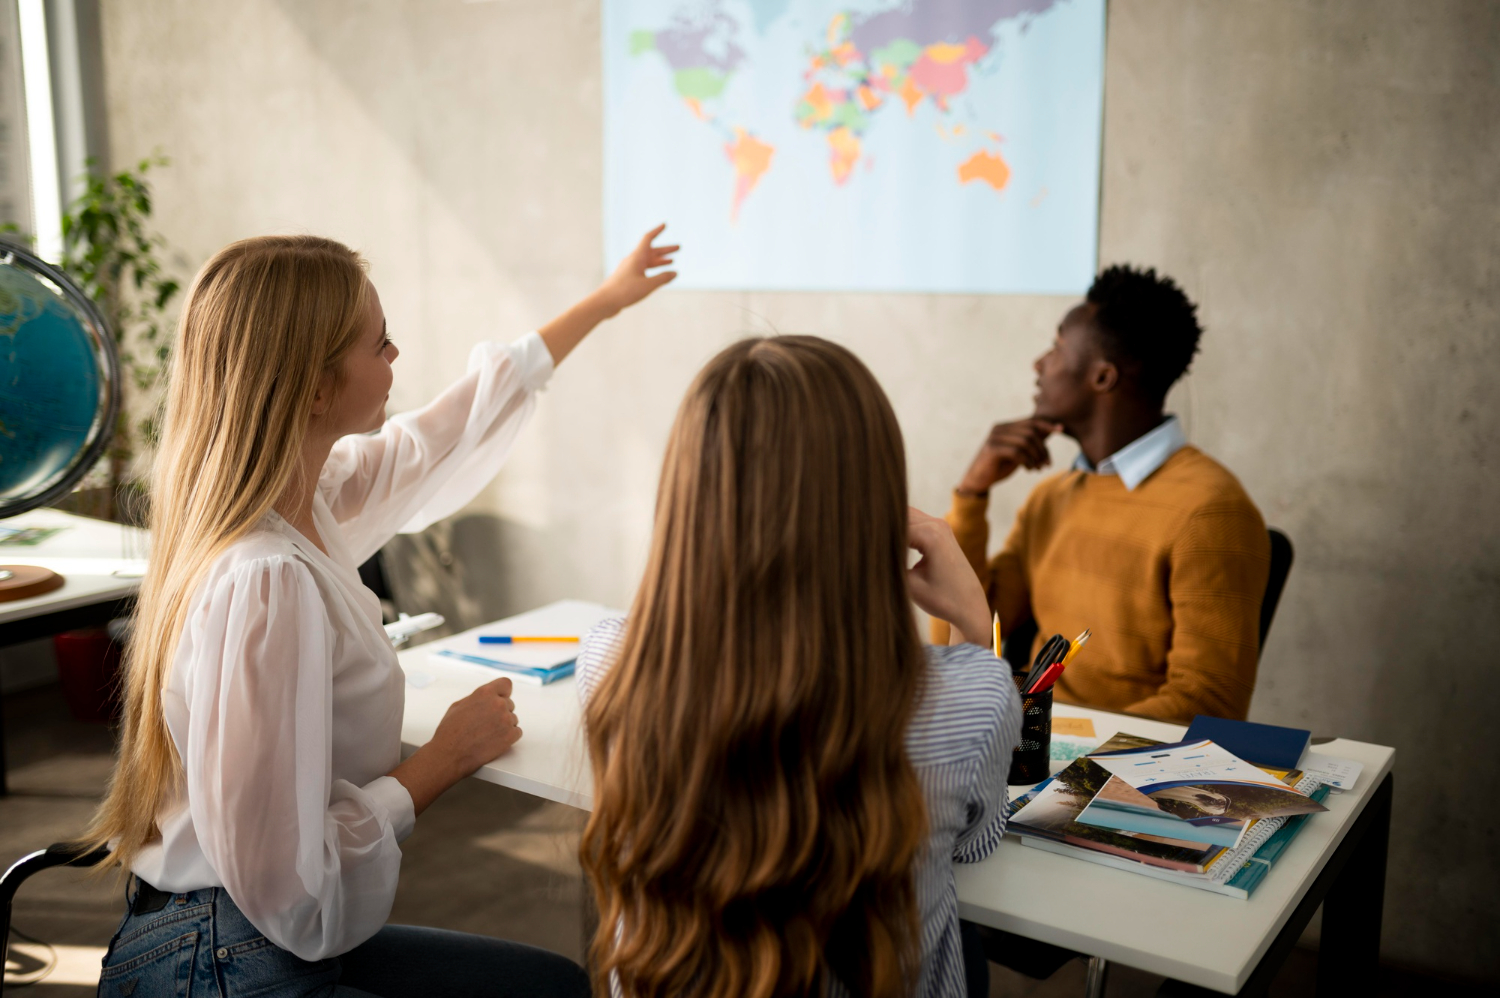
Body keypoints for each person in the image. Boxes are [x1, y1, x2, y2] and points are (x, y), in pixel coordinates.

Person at [85, 227, 678, 997]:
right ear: (316, 388)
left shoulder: (308, 501)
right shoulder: (265, 580)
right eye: (380, 342)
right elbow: (292, 894)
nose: (395, 357)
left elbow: (445, 429)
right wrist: (442, 760)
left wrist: (603, 301)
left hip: (239, 929)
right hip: (221, 956)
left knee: (551, 984)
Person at [575, 336, 1022, 998]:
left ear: (690, 497)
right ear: (872, 505)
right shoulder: (973, 695)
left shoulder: (612, 656)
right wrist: (971, 622)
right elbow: (975, 844)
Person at [936, 265, 1270, 723]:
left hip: (1115, 777)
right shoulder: (1050, 498)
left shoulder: (1211, 511)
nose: (1039, 365)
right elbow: (964, 639)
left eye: (1055, 348)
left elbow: (1210, 705)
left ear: (1102, 377)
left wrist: (1051, 739)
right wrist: (972, 494)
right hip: (1031, 753)